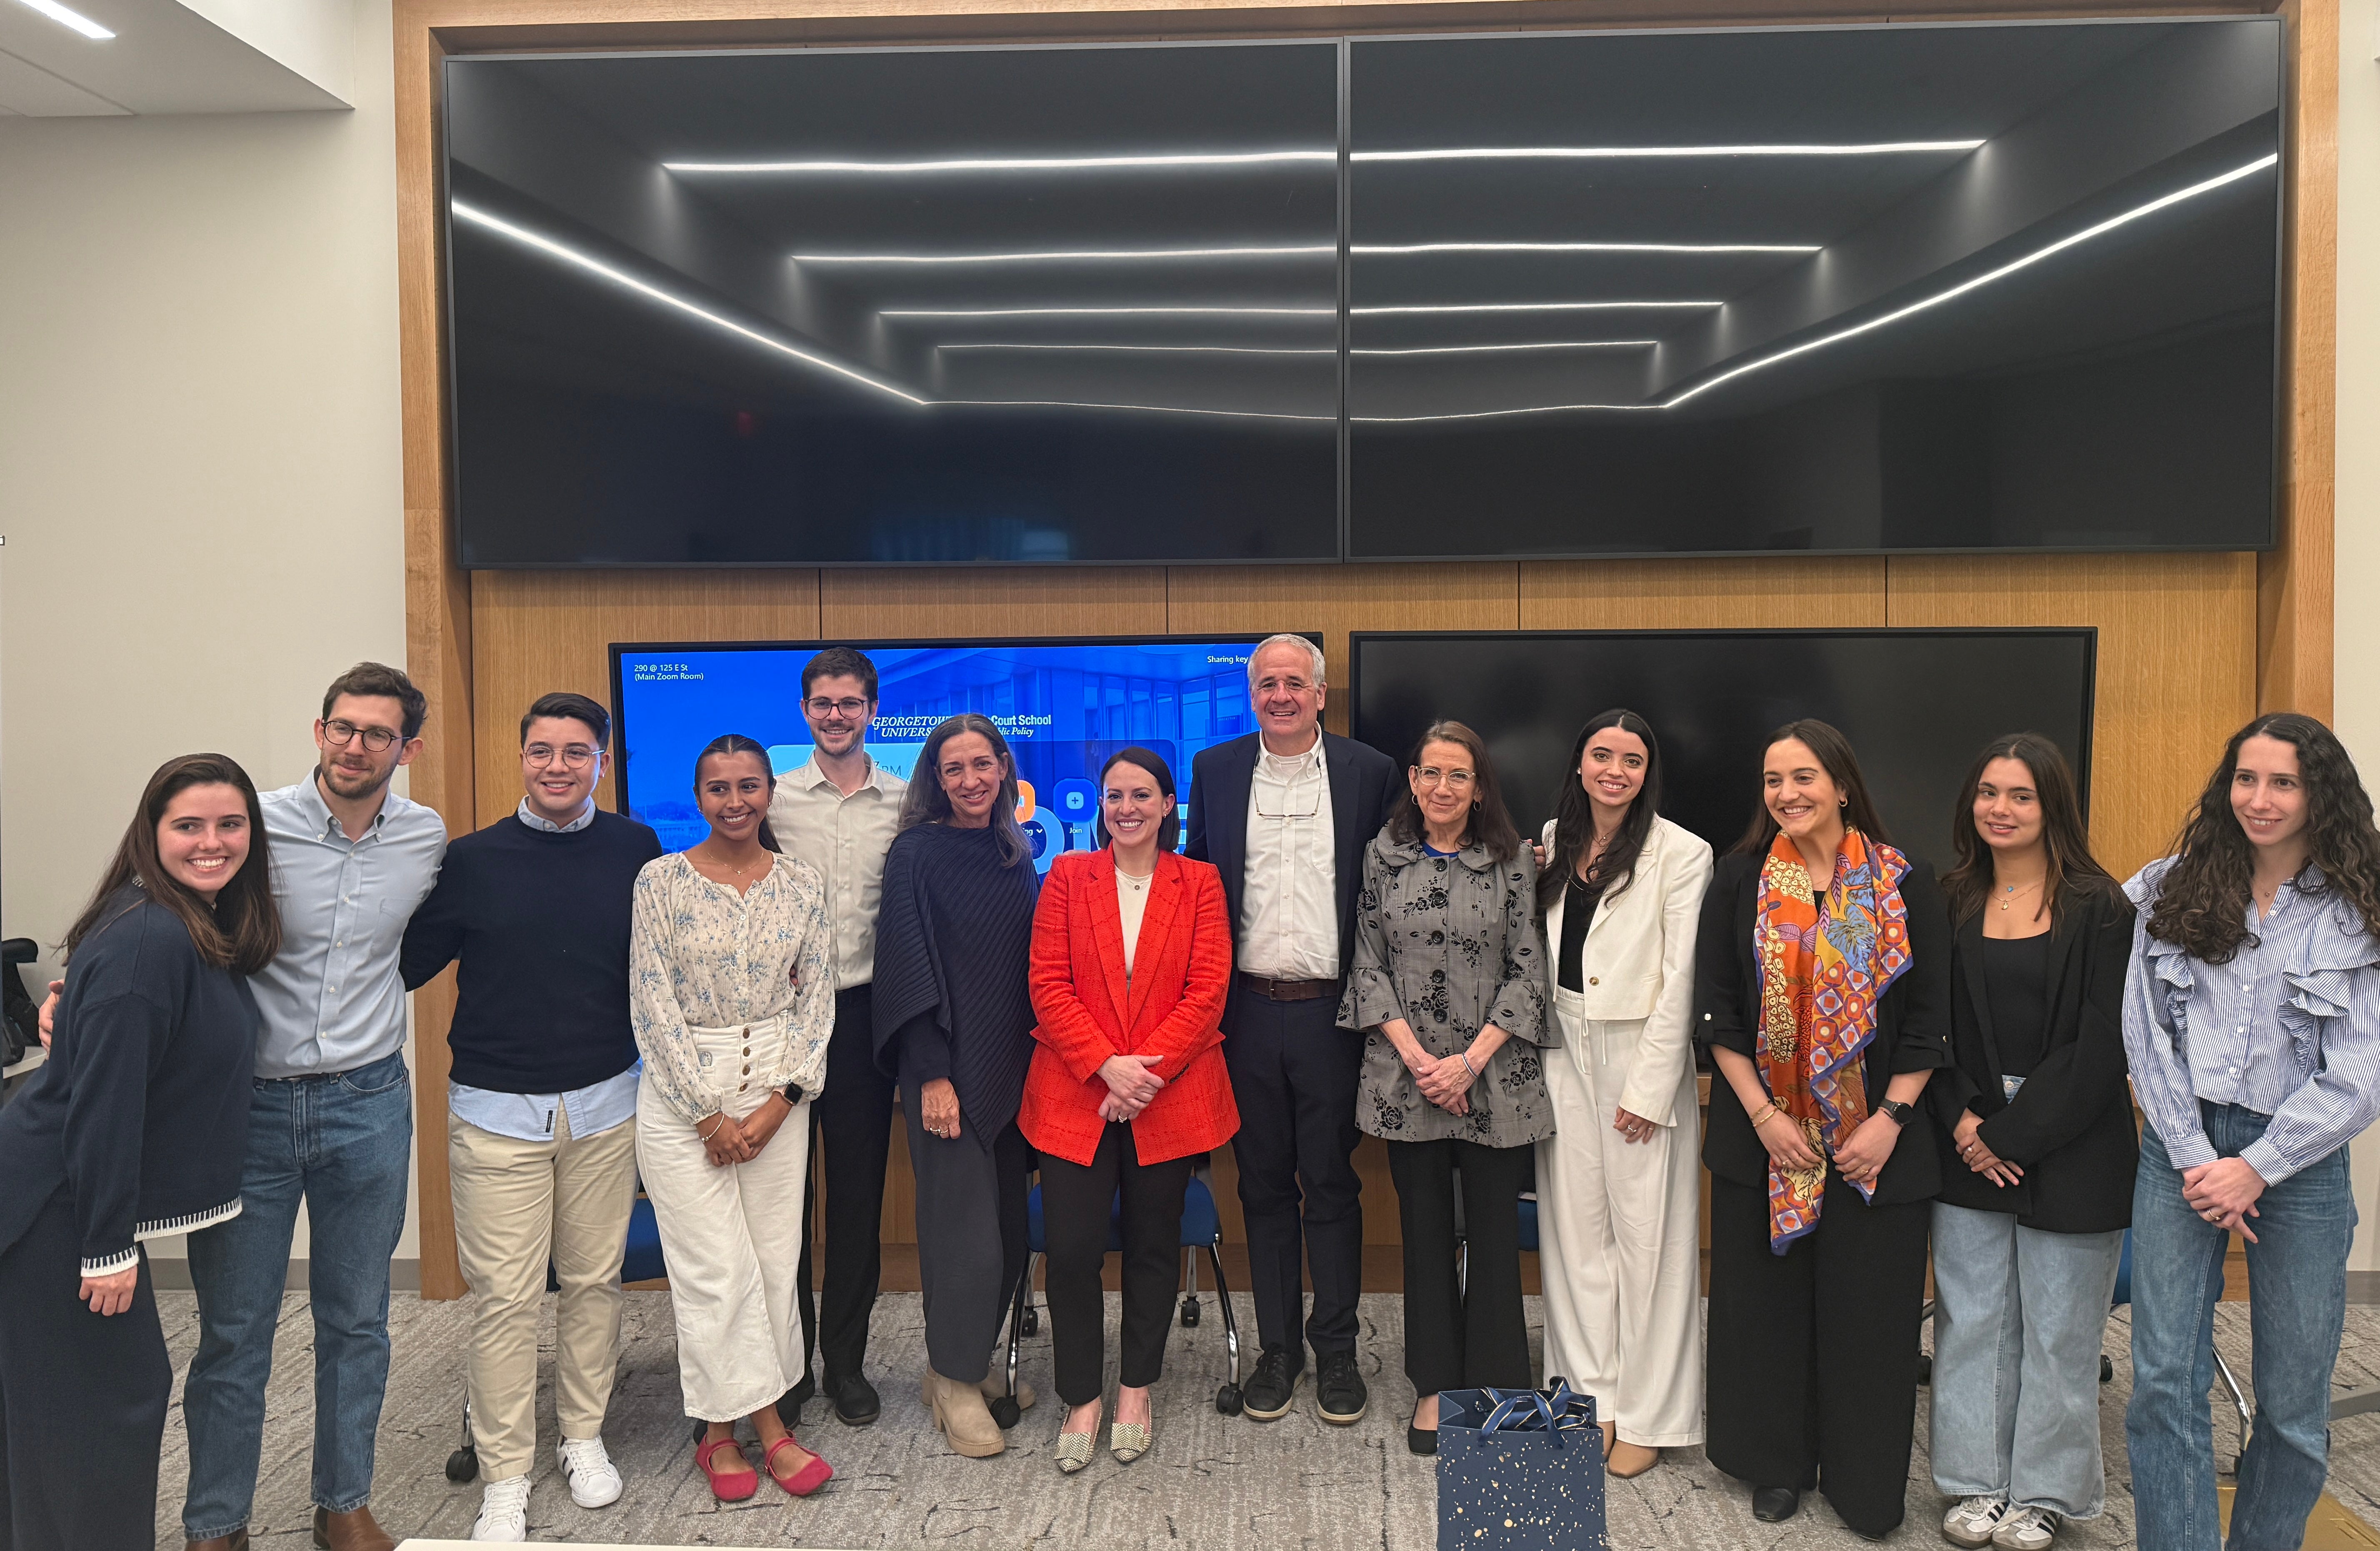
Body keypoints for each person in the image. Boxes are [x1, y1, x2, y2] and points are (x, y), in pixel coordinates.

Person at [180, 665, 447, 1551]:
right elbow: (159, 905)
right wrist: (81, 982)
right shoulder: (252, 823)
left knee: (357, 1318)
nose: (353, 747)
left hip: (367, 1105)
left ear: (406, 748)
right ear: (319, 728)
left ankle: (344, 1502)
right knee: (235, 1331)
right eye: (341, 727)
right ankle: (218, 1522)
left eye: (377, 733)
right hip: (247, 1111)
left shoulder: (425, 837)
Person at [400, 692, 663, 1542]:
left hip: (605, 1105)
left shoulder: (635, 847)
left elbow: (662, 964)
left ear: (603, 762)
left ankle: (582, 1437)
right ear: (522, 757)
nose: (558, 765)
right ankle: (505, 1475)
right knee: (508, 1299)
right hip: (495, 1113)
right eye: (543, 750)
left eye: (576, 751)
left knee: (593, 1283)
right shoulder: (471, 859)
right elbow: (399, 961)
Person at [0, 754, 279, 1551]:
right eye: (187, 825)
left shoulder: (187, 918)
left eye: (231, 824)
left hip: (60, 1194)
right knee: (100, 1415)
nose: (211, 842)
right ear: (150, 832)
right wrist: (107, 1244)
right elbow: (105, 1104)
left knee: (60, 1418)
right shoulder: (151, 936)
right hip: (53, 1207)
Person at [2121, 713, 2380, 1551]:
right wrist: (2200, 1157)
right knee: (2164, 1382)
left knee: (2297, 1405)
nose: (2259, 799)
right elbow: (2144, 1032)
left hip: (2299, 1162)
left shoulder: (2357, 908)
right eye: (2246, 778)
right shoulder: (2169, 886)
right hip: (2179, 1149)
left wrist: (2258, 1166)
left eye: (2284, 782)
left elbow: (2364, 1070)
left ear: (2320, 795)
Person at [1696, 718, 1950, 1539]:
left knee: (1868, 1322)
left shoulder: (1904, 885)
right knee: (1767, 1312)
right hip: (1767, 1141)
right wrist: (1766, 1117)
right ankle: (1779, 1464)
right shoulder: (1740, 881)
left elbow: (1930, 1024)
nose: (1787, 794)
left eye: (1804, 777)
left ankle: (1862, 1479)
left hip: (1876, 1148)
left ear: (1843, 785)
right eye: (1773, 780)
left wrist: (1889, 1120)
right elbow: (1720, 1016)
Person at [1926, 734, 2136, 1551]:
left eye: (2019, 795)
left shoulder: (2102, 905)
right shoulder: (1951, 898)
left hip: (2072, 1137)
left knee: (2059, 1330)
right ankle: (1977, 1484)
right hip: (1968, 1128)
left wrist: (2010, 1134)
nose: (1999, 810)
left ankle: (2044, 1493)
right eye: (1988, 792)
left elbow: (2099, 1045)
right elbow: (1928, 1029)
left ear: (2052, 806)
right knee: (1973, 1319)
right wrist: (1966, 1124)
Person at [1184, 633, 1399, 1427]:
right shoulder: (1215, 770)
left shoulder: (1368, 772)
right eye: (1266, 683)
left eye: (1293, 683)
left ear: (1320, 691)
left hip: (1333, 1014)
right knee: (1264, 1185)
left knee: (1333, 1183)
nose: (1279, 695)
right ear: (1254, 694)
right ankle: (1279, 1351)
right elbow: (1196, 882)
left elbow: (1389, 890)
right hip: (1241, 1013)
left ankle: (1336, 1350)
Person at [630, 736, 837, 1501]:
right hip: (688, 1094)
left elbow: (818, 1001)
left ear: (769, 793)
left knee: (774, 1264)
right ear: (699, 796)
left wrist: (784, 1099)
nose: (736, 801)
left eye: (750, 785)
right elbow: (651, 1006)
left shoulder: (802, 884)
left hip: (780, 1088)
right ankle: (766, 1429)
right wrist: (707, 1115)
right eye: (719, 788)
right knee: (715, 1269)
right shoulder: (660, 881)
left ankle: (724, 1431)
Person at [1022, 748, 1238, 1473]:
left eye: (1141, 794)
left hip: (1167, 1094)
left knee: (1153, 1246)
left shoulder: (1201, 882)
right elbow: (1048, 984)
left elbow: (1208, 989)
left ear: (1169, 803)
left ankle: (1135, 1389)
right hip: (1075, 1088)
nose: (1126, 808)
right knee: (1075, 1251)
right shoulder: (1066, 877)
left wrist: (1141, 1074)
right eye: (1114, 796)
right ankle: (1081, 1394)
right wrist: (1106, 1065)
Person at [1340, 721, 1549, 1456]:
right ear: (1413, 777)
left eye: (1458, 775)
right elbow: (1366, 966)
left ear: (1480, 785)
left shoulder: (1512, 858)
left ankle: (1494, 1388)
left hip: (1496, 1080)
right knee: (1424, 1237)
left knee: (1494, 1237)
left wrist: (1467, 1063)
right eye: (1430, 773)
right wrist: (1424, 1060)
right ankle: (1434, 1385)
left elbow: (1531, 971)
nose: (1442, 788)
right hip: (1407, 1080)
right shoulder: (1383, 855)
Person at [1530, 710, 1712, 1479]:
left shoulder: (1682, 852)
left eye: (1630, 760)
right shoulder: (1552, 838)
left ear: (1647, 772)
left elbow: (1680, 982)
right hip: (1561, 1046)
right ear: (1578, 764)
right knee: (1574, 1239)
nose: (1614, 770)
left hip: (1643, 1053)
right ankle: (1588, 1400)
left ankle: (1651, 1412)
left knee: (1652, 1243)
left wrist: (1650, 1085)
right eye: (1601, 755)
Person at [872, 714, 1041, 1460]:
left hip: (1013, 1071)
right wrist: (932, 1072)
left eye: (983, 764)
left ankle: (964, 1361)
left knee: (1007, 1233)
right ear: (934, 779)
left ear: (1004, 769)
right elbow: (906, 963)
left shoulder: (1015, 850)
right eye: (953, 768)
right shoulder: (915, 851)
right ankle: (956, 1380)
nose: (970, 779)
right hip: (946, 1071)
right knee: (963, 1242)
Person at [770, 648, 908, 1428]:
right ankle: (788, 1367)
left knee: (856, 1202)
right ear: (805, 710)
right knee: (786, 1203)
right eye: (823, 703)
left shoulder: (904, 799)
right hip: (784, 1024)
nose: (835, 716)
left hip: (862, 1021)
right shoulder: (774, 798)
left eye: (849, 703)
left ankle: (846, 1366)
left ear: (872, 709)